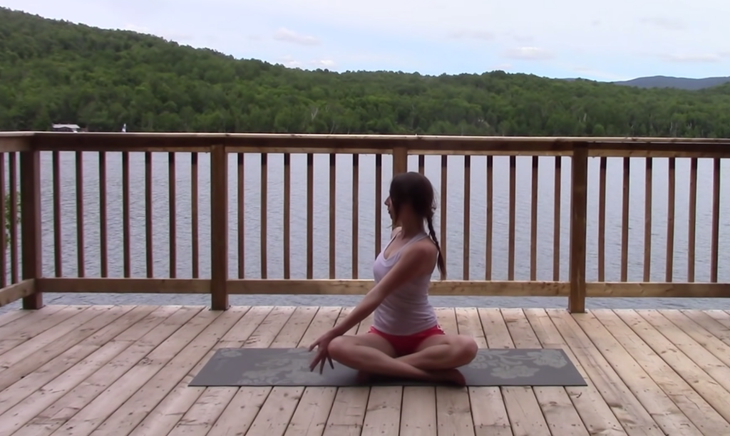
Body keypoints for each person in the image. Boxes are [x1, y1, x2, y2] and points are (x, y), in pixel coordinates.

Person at [308, 171, 478, 385]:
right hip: (383, 338)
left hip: (423, 338)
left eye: (391, 197)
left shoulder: (422, 249)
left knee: (467, 347)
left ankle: (381, 366)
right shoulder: (396, 235)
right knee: (337, 347)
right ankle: (425, 374)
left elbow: (378, 293)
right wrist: (334, 338)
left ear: (405, 204)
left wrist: (334, 331)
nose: (386, 202)